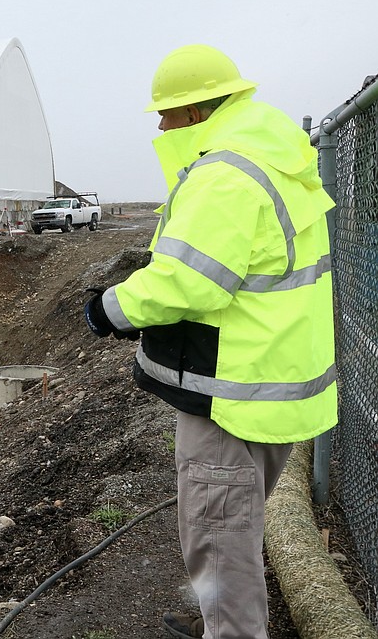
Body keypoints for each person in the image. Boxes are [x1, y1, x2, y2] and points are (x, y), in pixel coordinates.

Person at [83, 44, 337, 639]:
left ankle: (231, 630)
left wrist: (108, 310)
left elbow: (187, 281)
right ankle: (217, 620)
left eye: (166, 115)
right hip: (273, 381)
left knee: (219, 536)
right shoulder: (275, 156)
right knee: (234, 524)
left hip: (231, 397)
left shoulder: (224, 173)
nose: (161, 127)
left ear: (196, 112)